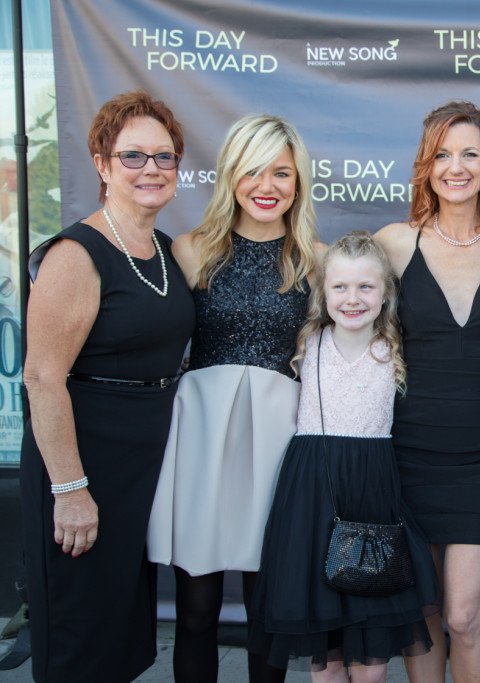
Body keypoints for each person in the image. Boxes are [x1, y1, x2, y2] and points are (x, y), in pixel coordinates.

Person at [19, 90, 195, 682]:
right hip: (85, 462)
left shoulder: (167, 251)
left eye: (164, 157)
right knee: (80, 633)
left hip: (141, 467)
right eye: (133, 157)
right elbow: (42, 378)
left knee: (118, 634)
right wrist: (69, 490)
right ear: (101, 164)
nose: (152, 170)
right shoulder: (76, 254)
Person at [145, 114, 324, 682]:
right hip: (201, 439)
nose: (266, 186)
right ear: (230, 176)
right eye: (252, 171)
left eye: (281, 173)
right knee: (195, 610)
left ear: (298, 183)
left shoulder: (315, 260)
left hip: (279, 444)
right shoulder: (191, 251)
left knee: (265, 611)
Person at [374, 100, 480, 683]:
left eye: (469, 153)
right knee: (425, 611)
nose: (455, 166)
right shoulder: (393, 243)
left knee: (464, 615)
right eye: (442, 154)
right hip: (406, 451)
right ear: (425, 165)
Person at [247, 231, 438, 683]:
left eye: (366, 287)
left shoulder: (397, 349)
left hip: (373, 493)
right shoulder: (305, 344)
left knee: (370, 671)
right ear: (322, 292)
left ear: (386, 292)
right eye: (340, 287)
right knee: (328, 667)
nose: (352, 299)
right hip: (311, 494)